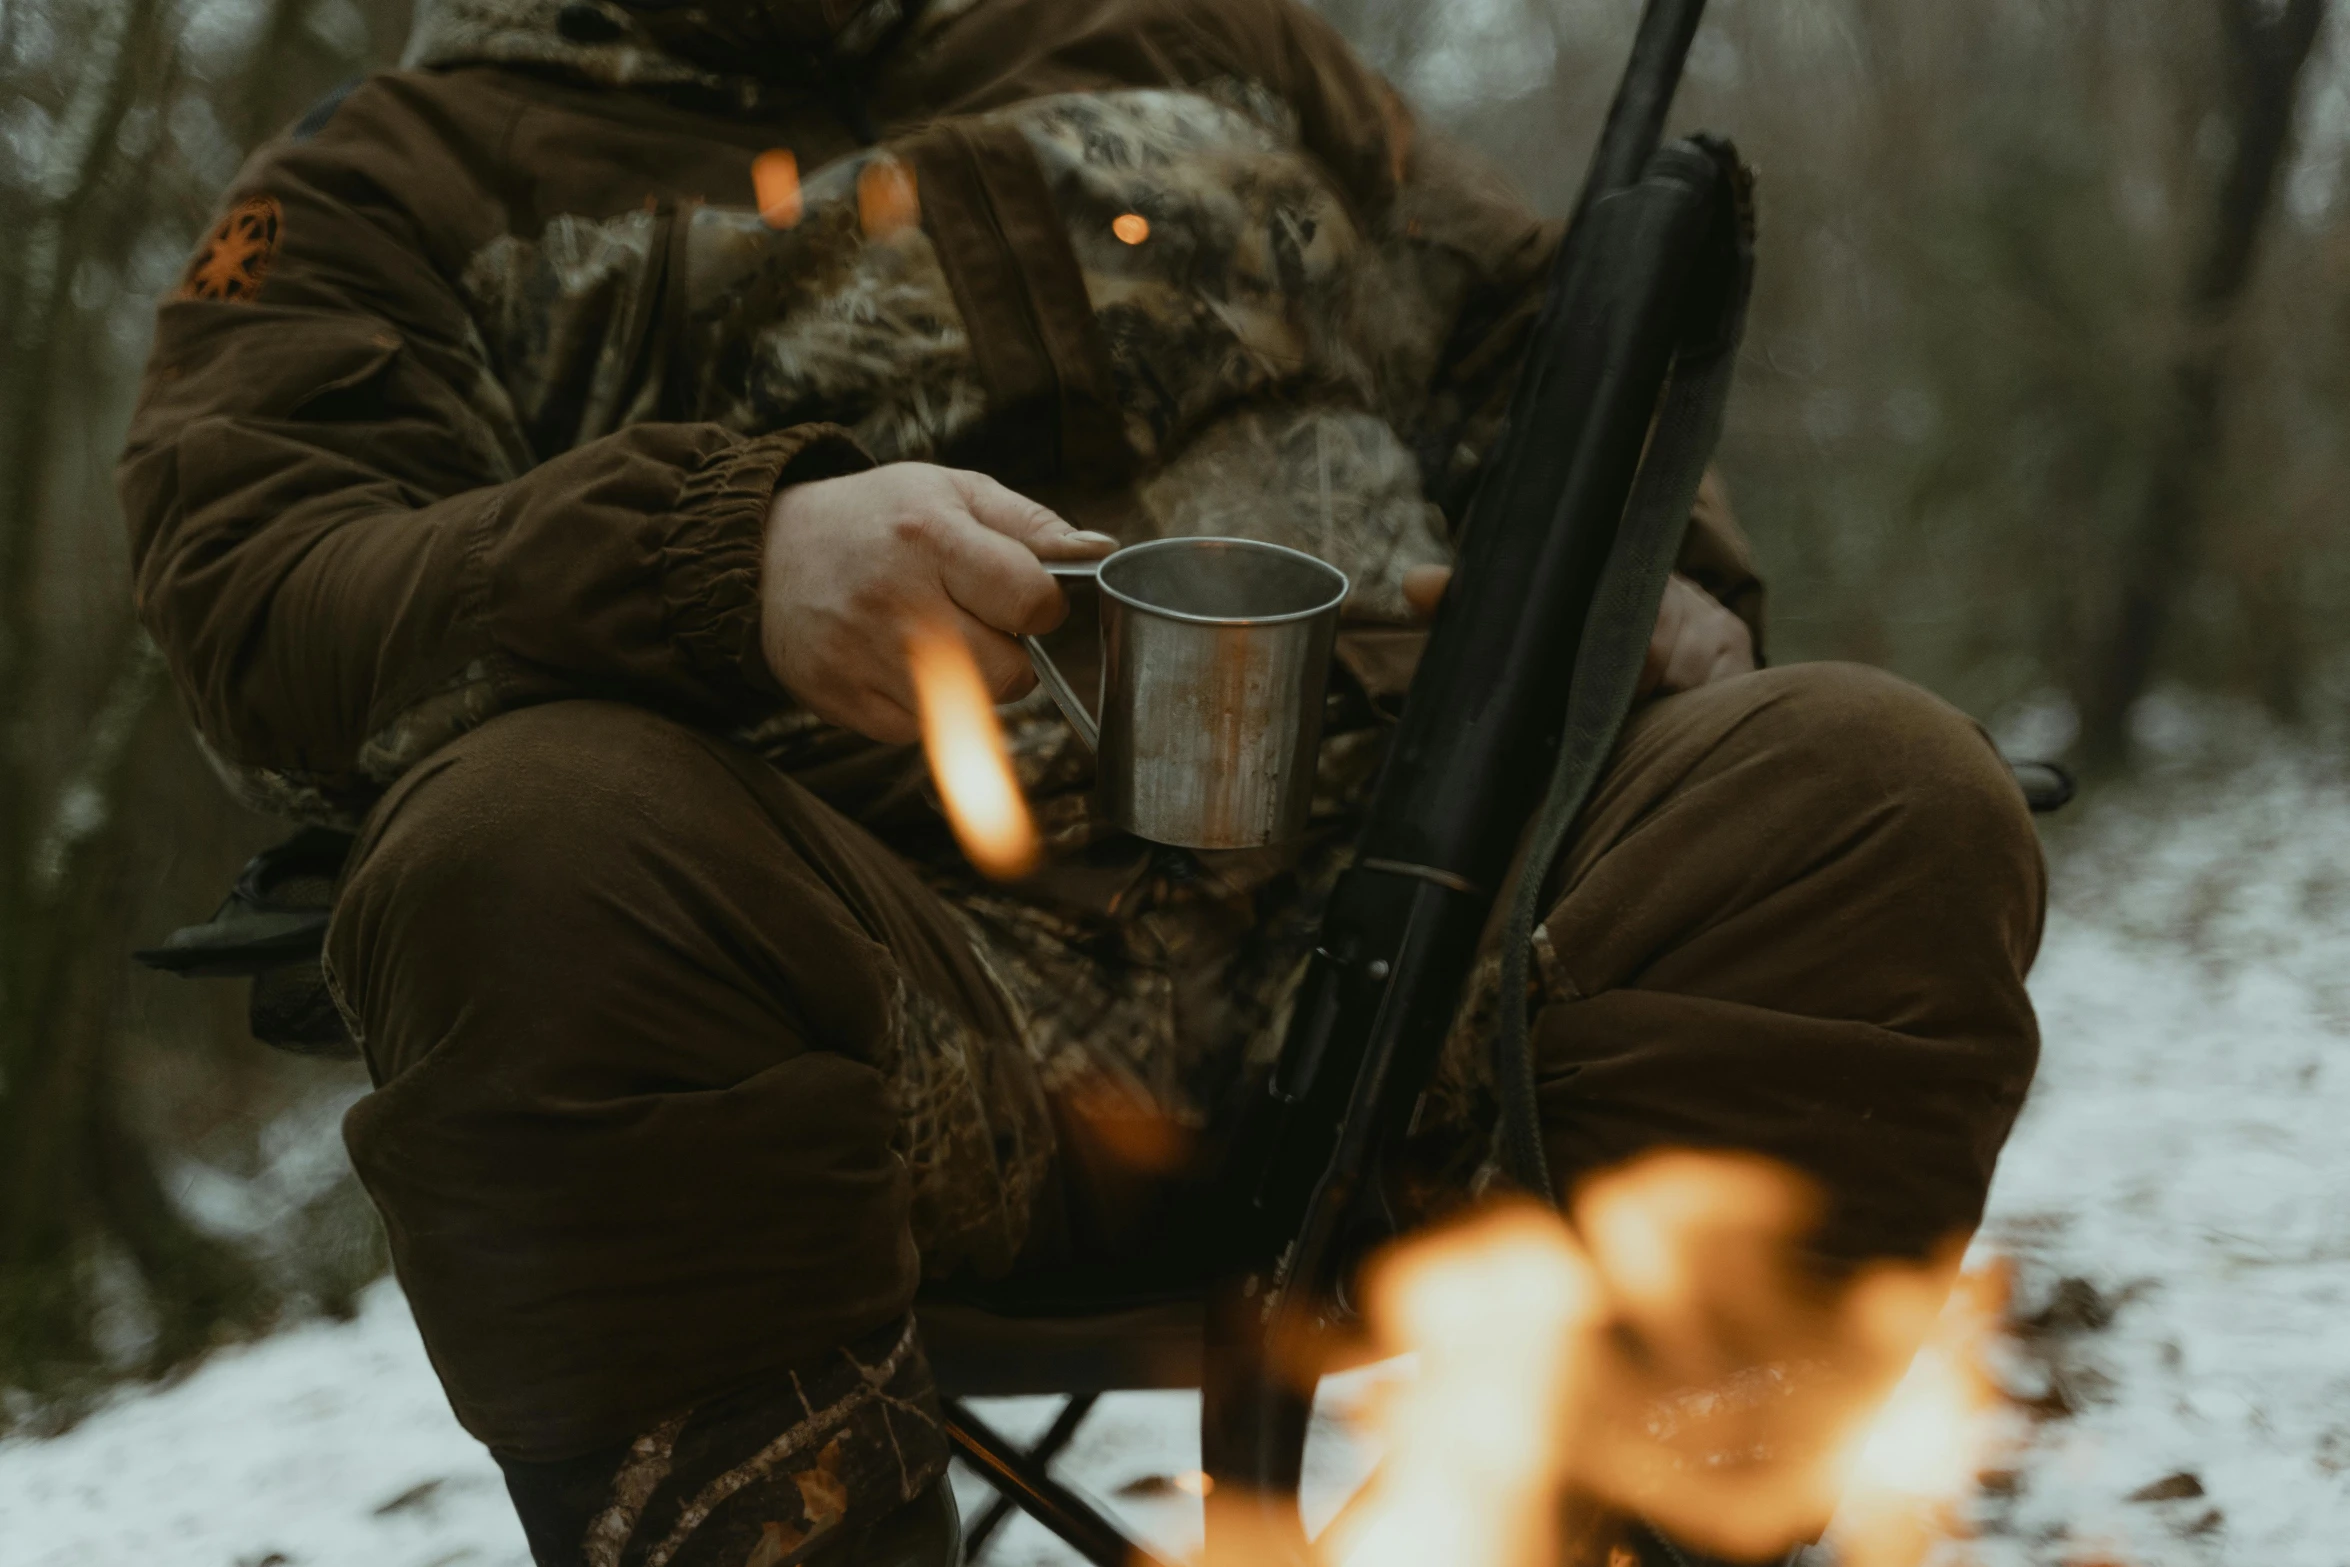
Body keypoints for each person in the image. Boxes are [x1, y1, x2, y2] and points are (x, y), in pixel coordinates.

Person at [120, 1, 2045, 1562]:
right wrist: (724, 562)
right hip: (893, 1031)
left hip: (1448, 941)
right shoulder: (389, 188)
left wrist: (1665, 578)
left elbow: (1529, 333)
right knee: (519, 857)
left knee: (1874, 790)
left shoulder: (1208, 41)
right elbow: (262, 594)